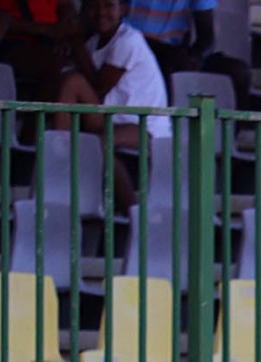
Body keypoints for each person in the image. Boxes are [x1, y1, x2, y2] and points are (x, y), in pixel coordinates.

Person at [51, 0, 171, 210]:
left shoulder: (128, 40)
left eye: (109, 6)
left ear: (122, 9)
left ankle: (131, 212)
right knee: (71, 81)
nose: (100, 12)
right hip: (112, 118)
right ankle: (62, 149)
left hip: (146, 125)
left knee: (96, 145)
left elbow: (98, 86)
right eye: (94, 6)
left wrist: (76, 45)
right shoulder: (93, 43)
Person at [122, 0, 215, 76]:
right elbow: (114, 21)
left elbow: (206, 39)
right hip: (127, 48)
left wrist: (193, 60)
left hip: (170, 56)